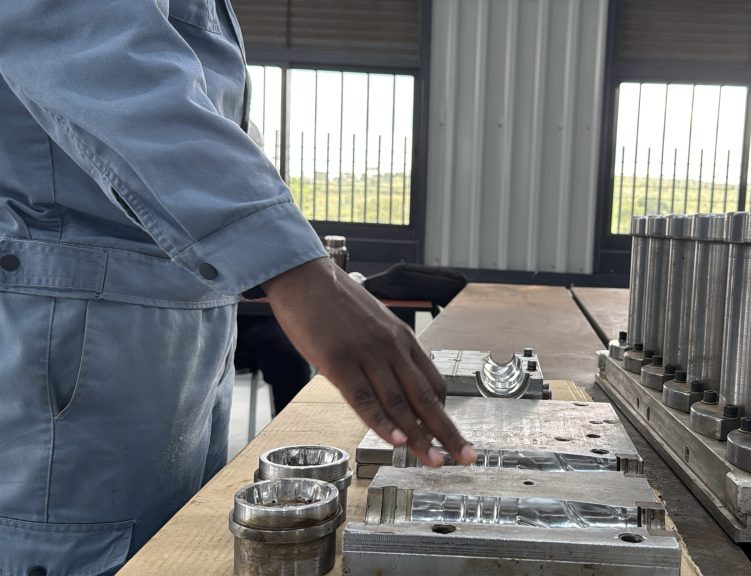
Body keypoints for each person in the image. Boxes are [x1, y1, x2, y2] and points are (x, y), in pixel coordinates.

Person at [0, 1, 476, 573]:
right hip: (68, 343)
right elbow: (100, 57)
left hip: (176, 338)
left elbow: (207, 115)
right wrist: (299, 270)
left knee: (171, 549)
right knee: (82, 551)